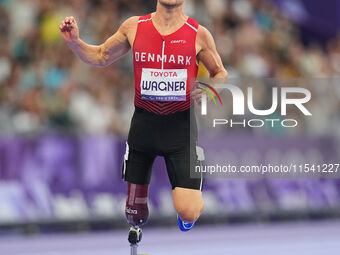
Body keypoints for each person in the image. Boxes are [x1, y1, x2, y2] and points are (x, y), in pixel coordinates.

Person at [60, 0, 228, 232]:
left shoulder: (198, 33)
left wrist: (211, 90)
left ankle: (188, 203)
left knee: (187, 210)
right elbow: (101, 56)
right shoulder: (134, 26)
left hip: (179, 131)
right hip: (143, 127)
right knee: (134, 215)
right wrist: (75, 43)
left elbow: (219, 72)